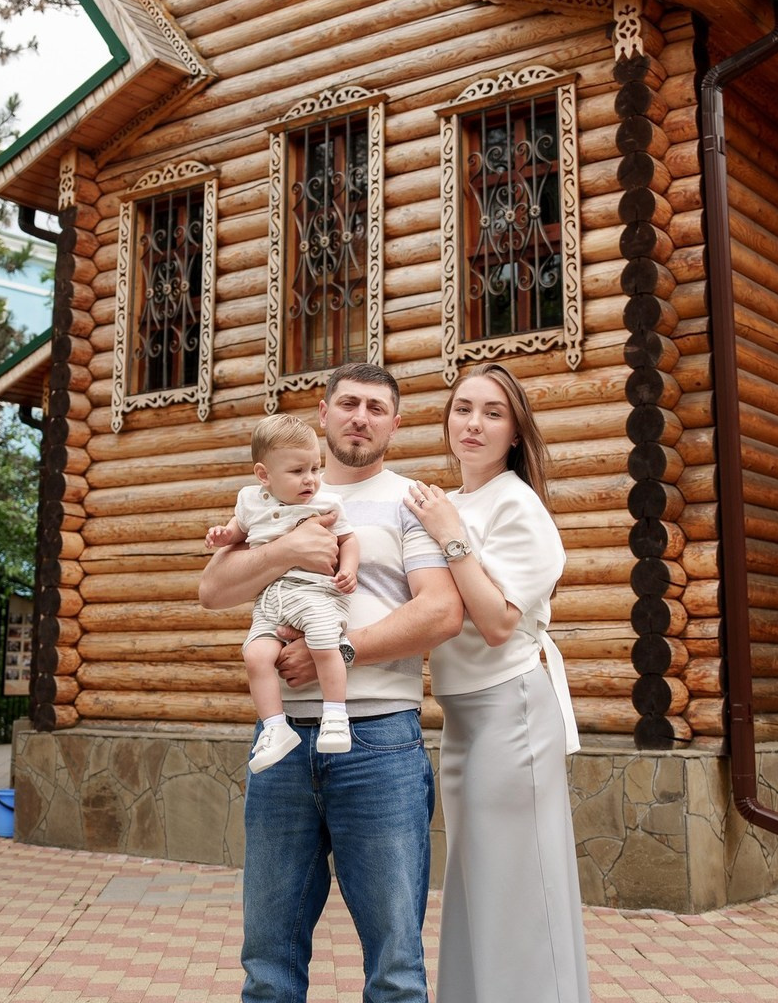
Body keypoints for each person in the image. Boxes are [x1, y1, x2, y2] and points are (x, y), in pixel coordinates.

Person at [198, 361, 463, 1003]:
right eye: (348, 403)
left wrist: (335, 651)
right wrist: (286, 551)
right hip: (281, 745)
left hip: (380, 745)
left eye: (376, 408)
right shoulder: (267, 500)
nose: (360, 417)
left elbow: (440, 611)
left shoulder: (412, 503)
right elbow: (212, 589)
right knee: (268, 963)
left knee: (396, 967)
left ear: (395, 425)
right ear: (323, 414)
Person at [405, 361, 591, 1003]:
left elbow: (493, 623)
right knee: (476, 881)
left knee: (519, 887)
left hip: (510, 711)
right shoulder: (446, 502)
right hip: (462, 719)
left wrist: (452, 538)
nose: (474, 423)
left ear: (515, 432)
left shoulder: (518, 506)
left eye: (492, 412)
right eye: (463, 408)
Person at [205, 413, 361, 772]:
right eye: (297, 472)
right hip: (271, 600)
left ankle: (335, 713)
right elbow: (237, 531)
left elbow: (348, 539)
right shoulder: (249, 500)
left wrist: (349, 568)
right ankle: (275, 727)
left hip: (315, 593)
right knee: (255, 655)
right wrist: (223, 536)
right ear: (264, 475)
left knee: (323, 643)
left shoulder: (325, 502)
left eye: (315, 468)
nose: (310, 479)